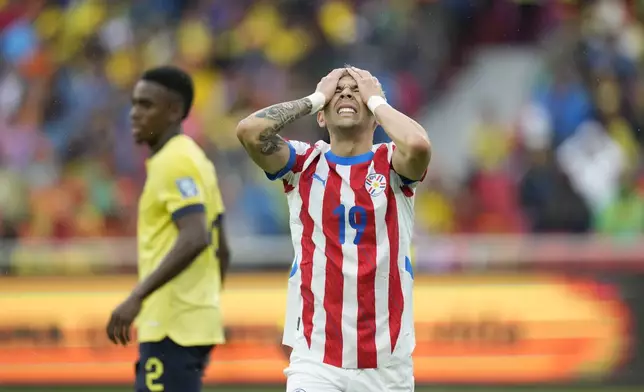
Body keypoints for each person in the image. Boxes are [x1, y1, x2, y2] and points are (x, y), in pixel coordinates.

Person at [236, 66, 431, 392]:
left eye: (357, 90)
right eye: (337, 90)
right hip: (316, 363)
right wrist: (315, 98)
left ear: (374, 114)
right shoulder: (303, 163)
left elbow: (419, 145)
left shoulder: (392, 165)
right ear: (321, 116)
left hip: (386, 367)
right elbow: (249, 131)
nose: (346, 93)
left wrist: (377, 102)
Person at [106, 66, 230, 392]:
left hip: (170, 326)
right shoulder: (196, 159)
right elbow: (223, 247)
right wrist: (203, 300)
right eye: (134, 104)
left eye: (146, 105)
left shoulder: (173, 161)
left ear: (174, 111)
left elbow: (196, 236)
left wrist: (137, 296)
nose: (134, 114)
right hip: (191, 322)